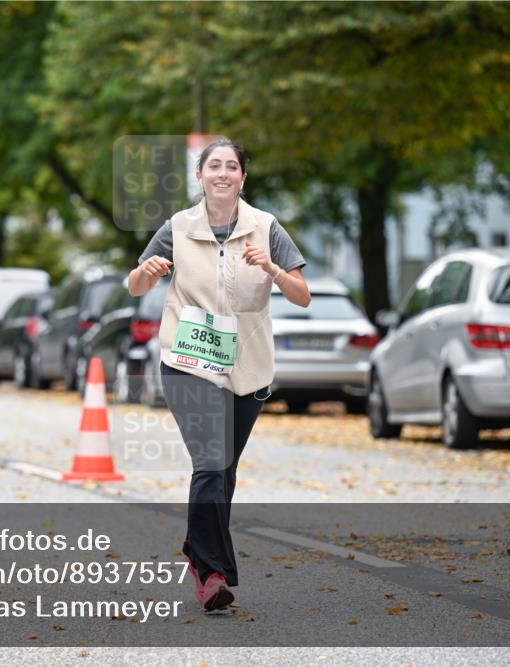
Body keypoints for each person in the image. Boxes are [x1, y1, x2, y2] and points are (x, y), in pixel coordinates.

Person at [127, 138, 311, 611]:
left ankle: (198, 552)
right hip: (187, 360)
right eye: (214, 166)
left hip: (247, 366)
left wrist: (271, 267)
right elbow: (136, 284)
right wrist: (147, 270)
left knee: (222, 472)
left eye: (232, 166)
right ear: (201, 176)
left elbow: (302, 295)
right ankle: (212, 573)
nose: (223, 173)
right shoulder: (178, 227)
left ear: (243, 178)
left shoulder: (266, 228)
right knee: (210, 461)